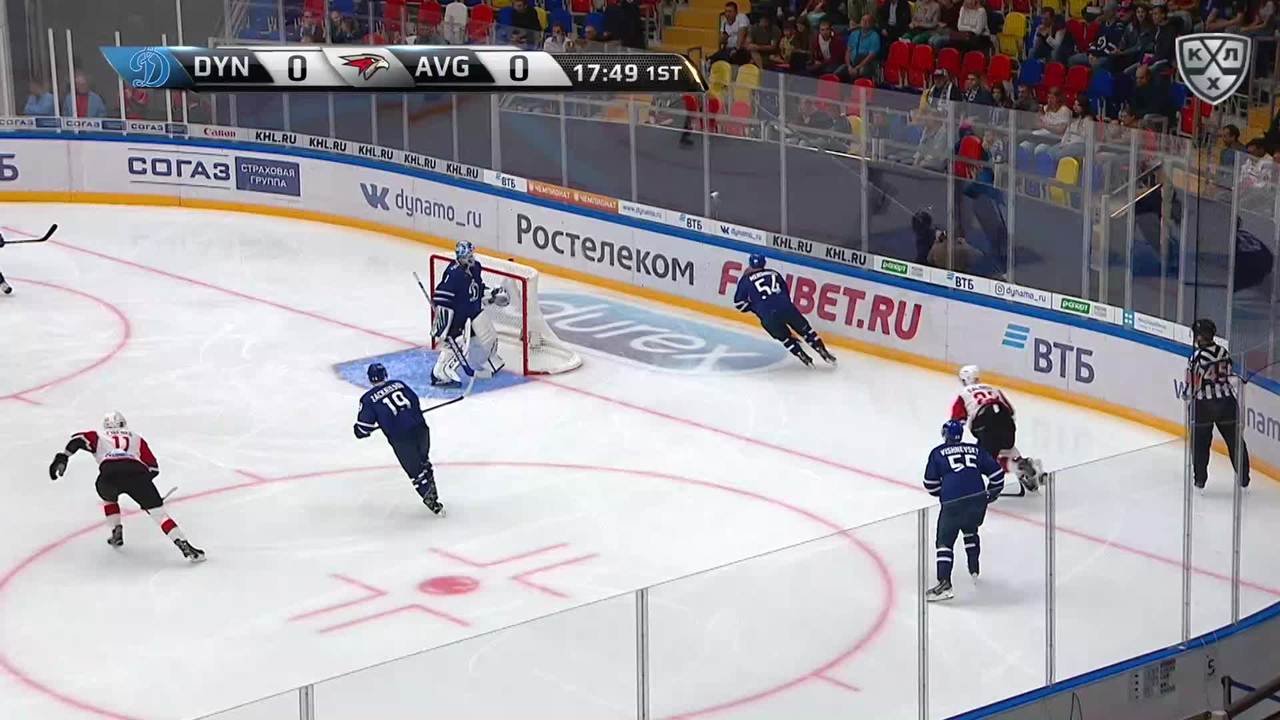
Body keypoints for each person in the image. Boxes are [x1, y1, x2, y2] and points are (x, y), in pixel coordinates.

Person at [47, 412, 205, 562]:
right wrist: (147, 490)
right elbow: (153, 468)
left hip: (108, 476)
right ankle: (183, 543)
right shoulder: (136, 438)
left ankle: (116, 529)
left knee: (109, 499)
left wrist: (63, 457)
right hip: (137, 475)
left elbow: (77, 440)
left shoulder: (98, 435)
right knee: (160, 515)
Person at [923, 419, 1005, 601]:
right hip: (977, 500)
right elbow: (997, 474)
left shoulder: (938, 453)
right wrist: (991, 494)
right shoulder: (976, 450)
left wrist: (945, 492)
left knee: (944, 542)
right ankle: (974, 569)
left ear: (945, 435)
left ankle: (944, 584)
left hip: (953, 502)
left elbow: (930, 483)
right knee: (970, 528)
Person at [354, 363, 445, 513]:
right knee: (423, 460)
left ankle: (433, 502)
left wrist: (359, 431)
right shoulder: (399, 384)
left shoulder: (368, 399)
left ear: (370, 379)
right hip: (421, 429)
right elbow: (414, 400)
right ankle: (432, 491)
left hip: (401, 439)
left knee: (416, 472)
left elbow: (363, 428)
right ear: (385, 374)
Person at [950, 364, 1043, 493]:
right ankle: (1033, 471)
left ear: (965, 379)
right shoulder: (993, 389)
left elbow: (956, 421)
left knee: (983, 462)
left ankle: (1017, 466)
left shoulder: (964, 394)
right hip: (1006, 421)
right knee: (1007, 448)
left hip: (985, 423)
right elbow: (1011, 411)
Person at [733, 254, 837, 367]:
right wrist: (784, 303)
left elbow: (739, 304)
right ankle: (822, 350)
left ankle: (802, 355)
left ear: (750, 264)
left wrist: (756, 307)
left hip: (767, 315)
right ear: (764, 263)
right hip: (786, 307)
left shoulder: (745, 280)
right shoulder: (774, 273)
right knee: (806, 331)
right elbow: (785, 292)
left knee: (785, 338)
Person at [430, 241, 509, 386]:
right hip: (459, 317)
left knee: (489, 337)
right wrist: (444, 324)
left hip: (474, 311)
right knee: (455, 346)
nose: (472, 257)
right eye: (469, 255)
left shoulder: (475, 267)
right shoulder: (454, 274)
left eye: (472, 254)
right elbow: (441, 297)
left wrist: (491, 295)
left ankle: (489, 362)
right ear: (461, 256)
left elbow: (477, 289)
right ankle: (441, 373)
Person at [1184, 319, 1251, 490]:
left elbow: (1192, 386)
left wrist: (1186, 395)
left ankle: (1200, 479)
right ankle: (1244, 478)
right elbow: (1229, 373)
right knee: (1235, 441)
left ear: (1199, 337)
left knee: (1200, 444)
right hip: (1227, 404)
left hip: (1204, 406)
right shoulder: (1224, 352)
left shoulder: (1196, 358)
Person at [840, 14, 882, 80]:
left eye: (867, 21)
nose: (865, 22)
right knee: (839, 71)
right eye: (863, 20)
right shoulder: (854, 34)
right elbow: (848, 51)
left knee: (862, 71)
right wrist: (849, 66)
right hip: (852, 63)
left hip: (867, 63)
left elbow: (871, 56)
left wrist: (857, 67)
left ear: (872, 24)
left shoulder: (875, 36)